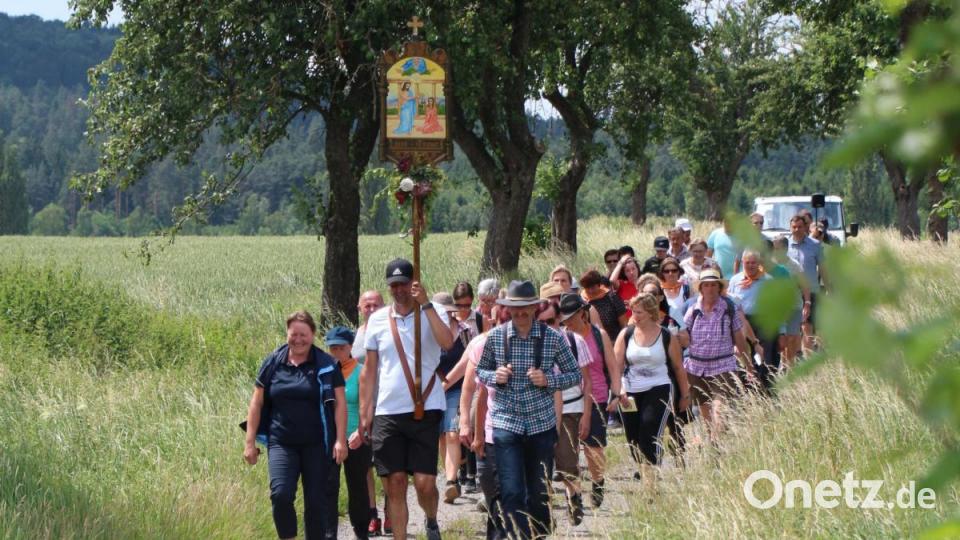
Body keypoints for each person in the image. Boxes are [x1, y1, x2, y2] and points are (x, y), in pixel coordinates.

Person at [475, 280, 581, 539]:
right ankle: (517, 535)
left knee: (538, 492)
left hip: (540, 425)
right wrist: (495, 375)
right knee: (510, 490)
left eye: (525, 308)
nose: (520, 313)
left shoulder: (553, 338)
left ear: (535, 307)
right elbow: (481, 371)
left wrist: (549, 380)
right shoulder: (496, 337)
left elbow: (574, 374)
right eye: (514, 308)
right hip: (505, 423)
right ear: (506, 309)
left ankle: (539, 534)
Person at [359, 258, 455, 540]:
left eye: (404, 284)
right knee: (396, 483)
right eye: (394, 285)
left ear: (414, 282)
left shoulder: (433, 310)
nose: (399, 290)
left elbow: (447, 343)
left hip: (426, 407)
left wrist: (425, 304)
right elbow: (369, 371)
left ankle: (431, 518)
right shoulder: (377, 320)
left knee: (425, 483)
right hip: (388, 411)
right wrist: (366, 412)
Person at [244, 311, 348, 540]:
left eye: (304, 334)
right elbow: (256, 402)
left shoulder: (328, 365)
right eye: (294, 334)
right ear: (287, 334)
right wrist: (250, 442)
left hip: (317, 445)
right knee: (280, 495)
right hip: (282, 442)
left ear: (313, 335)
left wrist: (341, 440)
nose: (298, 339)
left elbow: (339, 404)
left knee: (315, 502)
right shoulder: (273, 362)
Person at [614, 293, 690, 483]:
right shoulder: (626, 334)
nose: (634, 315)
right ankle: (645, 468)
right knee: (633, 438)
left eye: (639, 312)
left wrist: (685, 394)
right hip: (630, 391)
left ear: (650, 312)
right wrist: (619, 390)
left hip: (659, 388)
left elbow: (678, 367)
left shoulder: (666, 336)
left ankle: (651, 484)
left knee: (649, 432)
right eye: (633, 311)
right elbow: (616, 367)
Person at [557, 293, 619, 510]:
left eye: (572, 317)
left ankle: (598, 481)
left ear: (583, 314)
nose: (568, 322)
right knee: (568, 451)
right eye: (565, 318)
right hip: (571, 401)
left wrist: (617, 392)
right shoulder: (563, 339)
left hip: (598, 396)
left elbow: (612, 366)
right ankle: (573, 494)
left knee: (593, 449)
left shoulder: (598, 334)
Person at [536, 297, 592, 526]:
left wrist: (587, 414)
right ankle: (544, 512)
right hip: (539, 409)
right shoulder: (530, 344)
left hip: (570, 407)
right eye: (541, 322)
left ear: (559, 319)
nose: (547, 327)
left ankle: (574, 495)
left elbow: (587, 381)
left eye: (550, 321)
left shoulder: (573, 340)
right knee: (541, 464)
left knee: (567, 459)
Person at [683, 269, 756, 438]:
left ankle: (716, 440)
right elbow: (684, 335)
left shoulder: (729, 308)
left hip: (723, 366)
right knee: (705, 410)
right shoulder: (693, 309)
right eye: (706, 285)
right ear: (701, 288)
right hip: (696, 368)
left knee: (719, 409)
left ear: (719, 287)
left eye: (713, 285)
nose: (710, 289)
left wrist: (749, 366)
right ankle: (713, 442)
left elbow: (739, 339)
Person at [324, 326, 374, 540]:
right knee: (327, 487)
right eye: (331, 348)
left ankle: (361, 531)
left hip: (356, 436)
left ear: (350, 347)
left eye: (340, 348)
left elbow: (369, 404)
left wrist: (360, 431)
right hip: (330, 438)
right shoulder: (324, 373)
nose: (335, 352)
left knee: (358, 486)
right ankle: (328, 533)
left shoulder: (362, 370)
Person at [348, 290, 387, 536]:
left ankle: (392, 510)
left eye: (376, 305)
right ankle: (373, 514)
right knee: (365, 466)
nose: (371, 310)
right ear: (359, 308)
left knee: (387, 464)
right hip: (363, 408)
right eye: (367, 306)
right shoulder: (355, 338)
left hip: (387, 407)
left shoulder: (391, 331)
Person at [727, 249, 777, 390]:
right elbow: (730, 302)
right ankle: (745, 388)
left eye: (753, 262)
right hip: (740, 322)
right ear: (742, 263)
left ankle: (764, 389)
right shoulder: (735, 280)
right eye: (747, 262)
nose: (750, 265)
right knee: (743, 355)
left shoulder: (768, 280)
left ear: (759, 263)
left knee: (763, 356)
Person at [786, 214, 824, 354]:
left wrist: (828, 289)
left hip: (811, 291)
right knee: (792, 328)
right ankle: (792, 359)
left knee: (807, 326)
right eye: (794, 227)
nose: (796, 230)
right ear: (790, 228)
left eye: (800, 227)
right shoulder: (784, 245)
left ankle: (808, 359)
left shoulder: (815, 245)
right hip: (789, 293)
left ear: (806, 227)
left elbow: (823, 269)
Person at [770, 235, 809, 368]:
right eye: (773, 248)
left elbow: (804, 285)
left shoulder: (794, 265)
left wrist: (807, 303)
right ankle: (781, 363)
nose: (775, 251)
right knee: (782, 338)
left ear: (786, 249)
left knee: (792, 337)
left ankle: (789, 366)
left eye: (778, 248)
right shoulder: (769, 265)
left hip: (794, 306)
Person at [579, 269, 629, 344]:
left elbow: (624, 324)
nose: (590, 290)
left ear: (599, 284)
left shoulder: (612, 297)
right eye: (587, 287)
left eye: (592, 287)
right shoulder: (581, 302)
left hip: (616, 341)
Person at [657, 257, 691, 324]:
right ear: (662, 273)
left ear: (679, 272)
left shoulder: (687, 289)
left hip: (684, 327)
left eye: (674, 270)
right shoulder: (658, 291)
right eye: (666, 271)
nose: (670, 273)